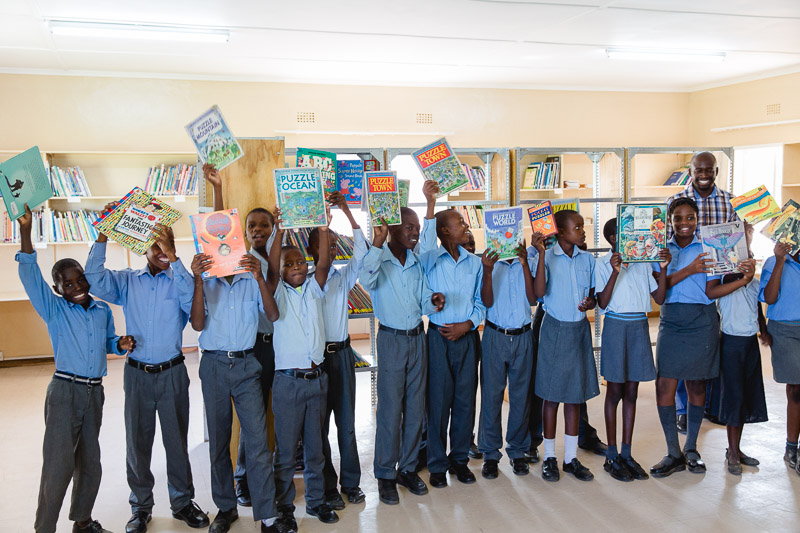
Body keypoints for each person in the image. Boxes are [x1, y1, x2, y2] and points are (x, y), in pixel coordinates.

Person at [84, 203, 208, 533]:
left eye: (166, 243)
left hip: (172, 374)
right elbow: (94, 279)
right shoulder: (127, 282)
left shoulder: (181, 280)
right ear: (143, 247)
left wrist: (176, 257)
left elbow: (194, 306)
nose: (161, 250)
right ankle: (140, 507)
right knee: (138, 444)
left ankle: (182, 502)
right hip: (138, 374)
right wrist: (102, 234)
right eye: (154, 244)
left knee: (176, 441)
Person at [16, 203, 135, 533]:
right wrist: (26, 230)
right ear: (57, 289)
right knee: (58, 467)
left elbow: (107, 343)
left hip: (93, 393)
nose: (77, 286)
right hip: (65, 392)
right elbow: (29, 273)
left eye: (79, 279)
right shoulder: (54, 310)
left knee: (91, 465)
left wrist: (118, 345)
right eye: (67, 284)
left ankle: (82, 522)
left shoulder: (101, 311)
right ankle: (45, 529)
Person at [650, 197, 746, 478]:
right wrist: (688, 269)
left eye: (689, 218)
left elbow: (710, 291)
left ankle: (691, 448)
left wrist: (743, 278)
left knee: (696, 386)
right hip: (671, 320)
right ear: (669, 220)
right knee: (664, 385)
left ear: (697, 219)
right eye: (678, 218)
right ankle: (672, 452)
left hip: (702, 321)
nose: (684, 224)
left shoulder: (709, 246)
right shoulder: (660, 249)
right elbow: (659, 292)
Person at [189, 239, 280, 532]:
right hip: (214, 364)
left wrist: (258, 278)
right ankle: (226, 509)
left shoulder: (249, 278)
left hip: (246, 365)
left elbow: (273, 315)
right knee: (218, 441)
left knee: (257, 443)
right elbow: (198, 324)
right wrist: (198, 281)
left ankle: (267, 514)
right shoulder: (207, 280)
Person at [360, 207, 444, 505]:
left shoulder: (416, 262)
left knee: (415, 408)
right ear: (392, 229)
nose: (414, 233)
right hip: (391, 339)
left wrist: (432, 302)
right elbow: (365, 280)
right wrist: (376, 244)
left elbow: (422, 299)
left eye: (416, 227)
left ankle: (407, 469)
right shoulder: (379, 259)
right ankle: (385, 474)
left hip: (416, 338)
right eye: (408, 227)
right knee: (390, 411)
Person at [264, 207, 339, 528]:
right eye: (288, 263)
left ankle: (317, 502)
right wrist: (279, 229)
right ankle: (283, 508)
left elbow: (322, 262)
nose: (296, 266)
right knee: (284, 453)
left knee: (315, 448)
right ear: (280, 271)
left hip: (316, 380)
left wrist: (323, 227)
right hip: (288, 383)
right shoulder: (276, 291)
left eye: (299, 262)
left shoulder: (314, 287)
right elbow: (269, 268)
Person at [419, 185, 487, 488]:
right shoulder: (430, 259)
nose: (466, 226)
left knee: (464, 401)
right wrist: (430, 204)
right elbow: (422, 244)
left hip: (467, 338)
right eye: (460, 223)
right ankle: (436, 463)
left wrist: (468, 325)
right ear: (445, 232)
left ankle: (459, 460)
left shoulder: (476, 264)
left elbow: (481, 302)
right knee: (438, 402)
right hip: (437, 338)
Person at [667, 151, 739, 427]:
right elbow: (664, 241)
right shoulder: (673, 201)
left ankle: (706, 404)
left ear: (716, 171)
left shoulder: (729, 201)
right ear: (691, 170)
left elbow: (736, 238)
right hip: (686, 279)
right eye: (699, 169)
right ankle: (683, 409)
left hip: (719, 278)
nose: (704, 174)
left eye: (709, 170)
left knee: (708, 346)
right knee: (683, 352)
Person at [595, 217, 669, 482]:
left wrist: (662, 268)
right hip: (616, 326)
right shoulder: (602, 264)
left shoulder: (643, 260)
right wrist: (616, 271)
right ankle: (611, 455)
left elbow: (659, 298)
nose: (635, 237)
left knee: (632, 391)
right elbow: (602, 303)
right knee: (614, 390)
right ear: (614, 239)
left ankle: (627, 453)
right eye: (627, 233)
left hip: (638, 326)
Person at [310, 191, 368, 509]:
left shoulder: (341, 278)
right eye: (325, 246)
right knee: (318, 429)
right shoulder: (305, 282)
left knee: (346, 424)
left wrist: (346, 211)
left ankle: (352, 483)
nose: (331, 251)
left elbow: (361, 253)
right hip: (317, 361)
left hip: (343, 356)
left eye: (334, 246)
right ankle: (328, 487)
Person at [532, 209, 598, 482]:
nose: (583, 231)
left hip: (579, 329)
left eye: (582, 227)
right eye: (578, 227)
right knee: (551, 396)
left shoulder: (587, 259)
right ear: (560, 231)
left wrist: (590, 303)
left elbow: (593, 295)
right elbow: (538, 293)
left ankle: (570, 458)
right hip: (555, 329)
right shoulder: (547, 257)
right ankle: (549, 456)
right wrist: (542, 254)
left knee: (575, 396)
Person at [478, 239, 537, 479]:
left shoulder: (529, 261)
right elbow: (487, 301)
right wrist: (488, 270)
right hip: (495, 334)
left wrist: (524, 264)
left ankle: (518, 451)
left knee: (521, 396)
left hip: (523, 335)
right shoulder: (491, 263)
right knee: (491, 395)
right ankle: (490, 454)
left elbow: (533, 299)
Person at [714, 222, 768, 475]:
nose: (747, 240)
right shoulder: (725, 278)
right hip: (731, 343)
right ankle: (732, 451)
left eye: (750, 235)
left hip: (749, 343)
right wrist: (742, 276)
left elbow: (757, 307)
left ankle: (736, 447)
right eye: (743, 235)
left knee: (746, 395)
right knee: (734, 396)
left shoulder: (753, 281)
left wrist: (763, 330)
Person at [234, 206, 277, 507]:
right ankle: (243, 477)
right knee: (254, 415)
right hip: (254, 346)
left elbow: (274, 280)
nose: (258, 230)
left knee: (278, 411)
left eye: (265, 225)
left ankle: (268, 471)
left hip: (279, 345)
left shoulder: (277, 257)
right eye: (252, 225)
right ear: (245, 230)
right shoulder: (240, 258)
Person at [759, 241, 800, 475]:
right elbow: (770, 298)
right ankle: (791, 446)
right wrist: (781, 260)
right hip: (785, 330)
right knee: (796, 389)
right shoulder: (774, 262)